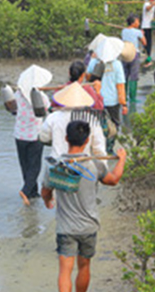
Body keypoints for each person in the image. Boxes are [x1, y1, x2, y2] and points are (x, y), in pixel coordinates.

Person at [41, 120, 127, 292]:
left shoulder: (56, 166)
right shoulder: (95, 165)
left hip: (66, 228)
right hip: (89, 226)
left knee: (65, 271)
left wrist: (48, 200)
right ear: (87, 140)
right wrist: (122, 160)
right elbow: (113, 180)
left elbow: (45, 191)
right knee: (84, 267)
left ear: (66, 138)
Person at [39, 82, 107, 161]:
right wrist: (103, 166)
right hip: (82, 164)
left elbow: (43, 137)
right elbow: (99, 148)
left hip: (57, 162)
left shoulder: (53, 117)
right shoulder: (91, 119)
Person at [13, 87, 50, 206]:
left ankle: (32, 193)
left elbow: (12, 110)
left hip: (20, 135)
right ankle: (25, 191)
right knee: (35, 166)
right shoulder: (41, 96)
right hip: (35, 135)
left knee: (25, 165)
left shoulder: (17, 95)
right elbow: (47, 110)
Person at [121, 13, 147, 103]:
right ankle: (132, 98)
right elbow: (144, 42)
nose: (138, 23)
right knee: (134, 75)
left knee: (125, 75)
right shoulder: (137, 32)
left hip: (124, 54)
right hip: (134, 54)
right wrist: (142, 34)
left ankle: (124, 96)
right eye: (137, 21)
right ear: (133, 23)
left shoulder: (123, 31)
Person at [141, 0, 155, 67]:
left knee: (149, 43)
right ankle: (147, 58)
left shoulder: (152, 4)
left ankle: (147, 58)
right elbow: (147, 9)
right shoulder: (146, 4)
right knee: (146, 43)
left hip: (150, 25)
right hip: (145, 26)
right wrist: (153, 4)